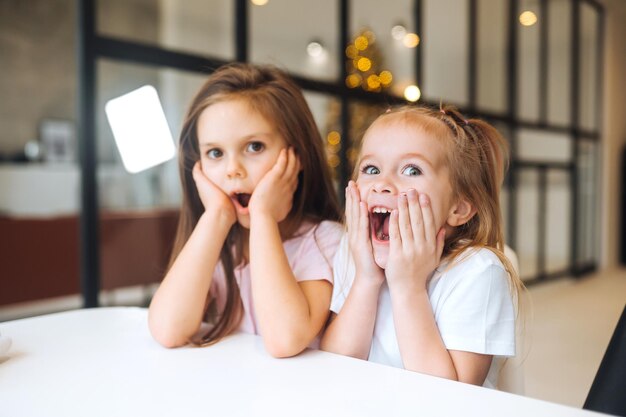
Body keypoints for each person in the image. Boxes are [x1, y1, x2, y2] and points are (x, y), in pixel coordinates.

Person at [320, 105, 525, 389]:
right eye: (371, 168)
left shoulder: (477, 272)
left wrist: (409, 286)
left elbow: (451, 398)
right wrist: (367, 278)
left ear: (459, 208)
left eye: (411, 170)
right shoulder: (354, 252)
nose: (382, 184)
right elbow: (336, 364)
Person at [148, 63, 343, 357]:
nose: (232, 170)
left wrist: (263, 216)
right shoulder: (222, 244)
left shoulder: (326, 241)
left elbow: (285, 340)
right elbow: (167, 329)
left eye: (254, 147)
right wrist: (216, 216)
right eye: (215, 153)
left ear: (297, 155)